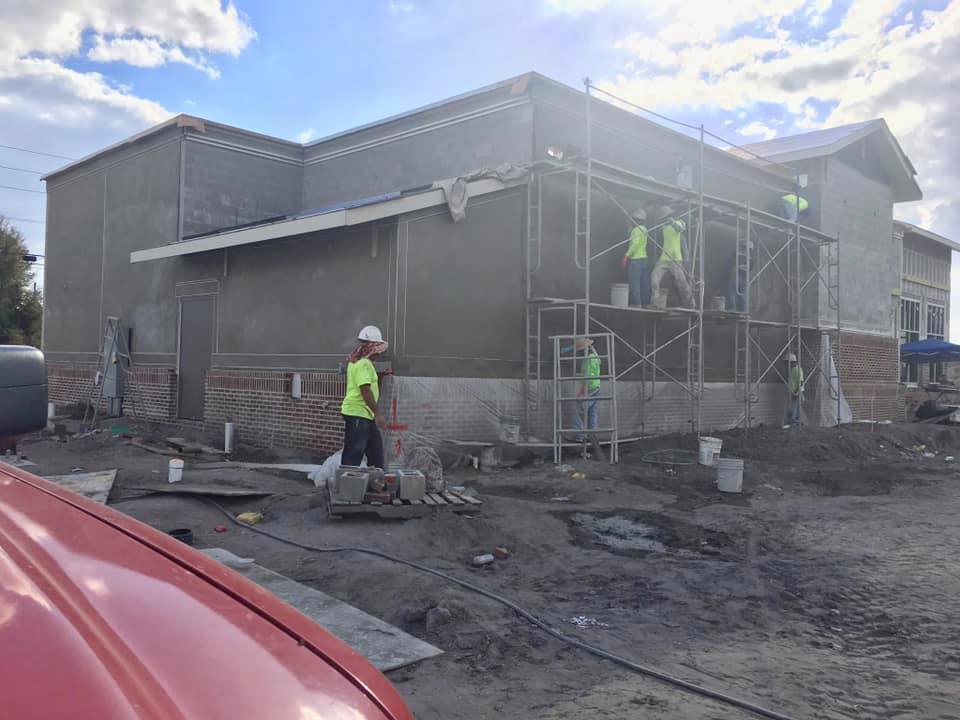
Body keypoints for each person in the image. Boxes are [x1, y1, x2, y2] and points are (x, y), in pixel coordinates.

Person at [341, 325, 389, 468]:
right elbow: (365, 390)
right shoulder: (363, 364)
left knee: (376, 453)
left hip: (364, 414)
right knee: (354, 454)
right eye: (377, 350)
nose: (378, 354)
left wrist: (380, 377)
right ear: (371, 347)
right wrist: (378, 414)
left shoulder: (356, 362)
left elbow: (371, 388)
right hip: (358, 414)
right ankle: (348, 486)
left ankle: (374, 483)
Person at [650, 217, 694, 309]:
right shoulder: (663, 227)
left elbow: (680, 228)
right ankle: (655, 302)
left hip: (675, 259)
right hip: (664, 258)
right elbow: (659, 231)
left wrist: (673, 222)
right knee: (654, 278)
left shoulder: (678, 223)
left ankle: (689, 302)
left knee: (681, 281)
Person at [572, 338, 601, 442]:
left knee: (578, 410)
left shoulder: (588, 359)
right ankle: (593, 436)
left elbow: (588, 376)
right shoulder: (595, 357)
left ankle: (579, 436)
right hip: (596, 387)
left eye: (579, 351)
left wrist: (583, 391)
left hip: (590, 388)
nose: (579, 354)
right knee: (592, 412)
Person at [621, 208, 651, 307]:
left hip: (636, 260)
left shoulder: (636, 230)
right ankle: (645, 304)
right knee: (644, 284)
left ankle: (638, 304)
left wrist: (626, 256)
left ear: (636, 220)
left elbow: (635, 244)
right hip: (644, 260)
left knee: (635, 284)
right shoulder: (644, 229)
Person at [783, 353, 804, 427]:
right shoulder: (792, 369)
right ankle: (795, 423)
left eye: (787, 362)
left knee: (794, 407)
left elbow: (801, 382)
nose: (786, 364)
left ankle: (793, 423)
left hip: (797, 391)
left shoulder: (798, 369)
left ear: (792, 362)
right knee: (794, 407)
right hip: (792, 391)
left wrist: (796, 392)